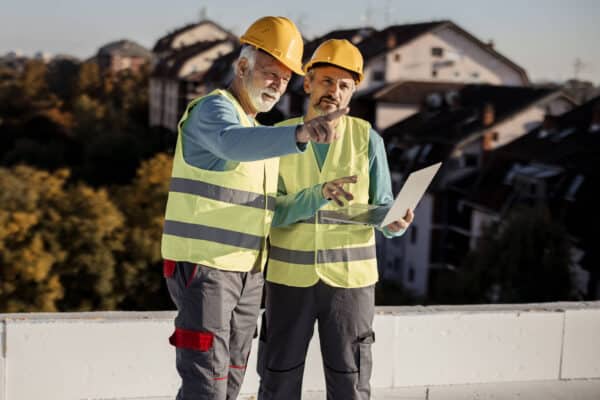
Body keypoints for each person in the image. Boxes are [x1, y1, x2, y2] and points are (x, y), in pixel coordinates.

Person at [161, 17, 349, 400]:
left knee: (229, 382)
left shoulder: (260, 134)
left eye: (285, 78)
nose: (278, 85)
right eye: (270, 73)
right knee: (207, 385)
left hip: (248, 272)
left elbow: (271, 211)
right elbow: (231, 144)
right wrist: (300, 133)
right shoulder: (213, 111)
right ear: (243, 67)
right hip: (207, 268)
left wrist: (318, 194)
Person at [257, 39, 414, 400]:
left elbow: (382, 206)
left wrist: (393, 223)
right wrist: (318, 194)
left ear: (353, 92)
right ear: (307, 82)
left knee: (351, 380)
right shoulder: (279, 138)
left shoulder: (367, 139)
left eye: (344, 86)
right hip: (289, 280)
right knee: (278, 378)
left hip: (350, 282)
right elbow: (269, 213)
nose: (334, 92)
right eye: (327, 81)